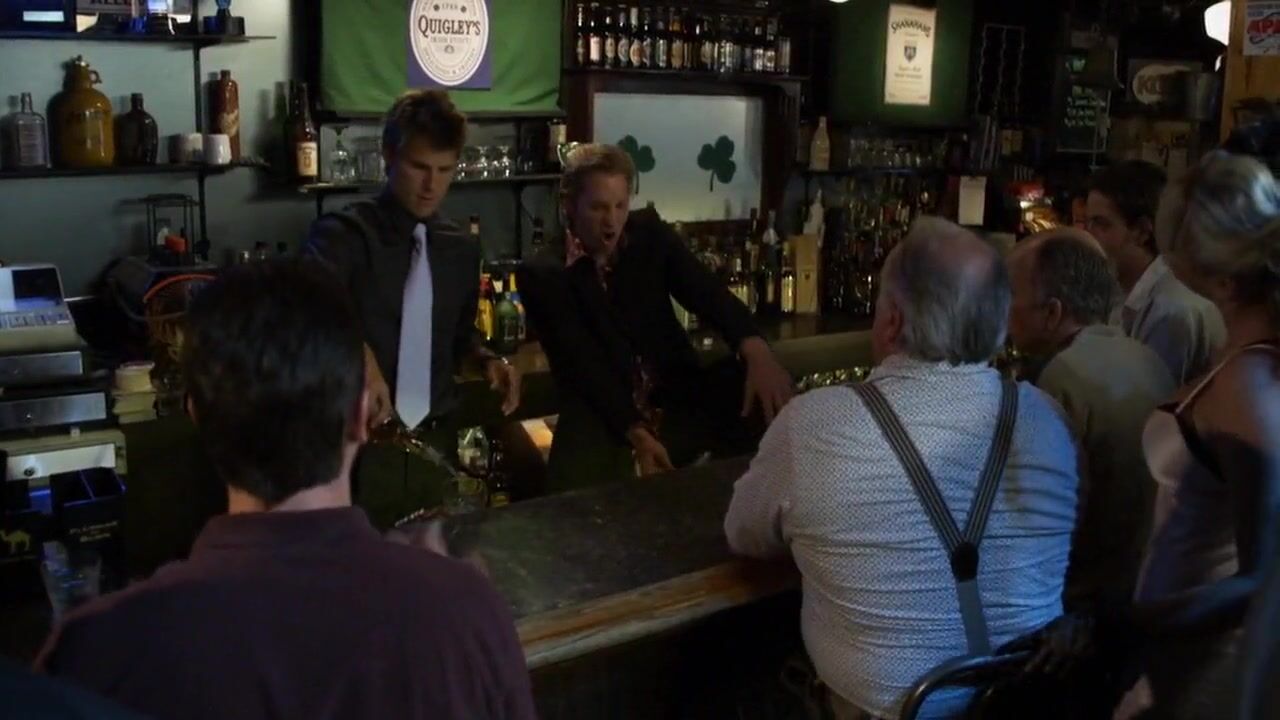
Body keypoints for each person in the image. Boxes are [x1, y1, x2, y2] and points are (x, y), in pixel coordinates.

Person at [35, 259, 536, 720]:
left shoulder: (97, 651)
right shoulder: (467, 613)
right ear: (362, 415)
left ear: (197, 416)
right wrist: (442, 594)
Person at [724, 217, 1079, 719]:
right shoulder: (1049, 419)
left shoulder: (812, 424)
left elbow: (744, 534)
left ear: (892, 320)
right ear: (1000, 325)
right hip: (1026, 709)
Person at [1031, 152, 1280, 720]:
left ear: (1220, 275)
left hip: (1203, 668)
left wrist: (1126, 620)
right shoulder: (1242, 360)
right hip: (1176, 652)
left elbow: (1262, 575)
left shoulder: (1250, 383)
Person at [517, 143, 794, 492]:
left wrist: (754, 347)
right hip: (605, 418)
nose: (611, 221)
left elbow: (706, 292)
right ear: (568, 205)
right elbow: (584, 364)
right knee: (578, 489)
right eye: (598, 207)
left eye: (620, 205)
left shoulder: (649, 234)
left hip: (675, 399)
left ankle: (754, 503)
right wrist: (636, 432)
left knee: (757, 390)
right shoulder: (544, 273)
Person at [305, 89, 520, 526]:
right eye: (419, 167)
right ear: (390, 156)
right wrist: (362, 359)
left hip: (432, 446)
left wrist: (487, 360)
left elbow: (458, 337)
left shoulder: (459, 248)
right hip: (355, 449)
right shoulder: (343, 235)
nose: (431, 185)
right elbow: (306, 314)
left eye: (444, 170)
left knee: (429, 559)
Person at [1006, 228, 1175, 611]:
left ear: (1052, 313)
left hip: (1089, 604)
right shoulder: (1145, 357)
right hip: (1145, 590)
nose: (1003, 310)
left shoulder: (1062, 378)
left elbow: (1043, 522)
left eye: (1011, 295)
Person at [1085, 160, 1225, 383]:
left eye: (1102, 224)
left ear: (1142, 231)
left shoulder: (1170, 312)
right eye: (1087, 224)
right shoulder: (1123, 291)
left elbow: (1144, 398)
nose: (1088, 236)